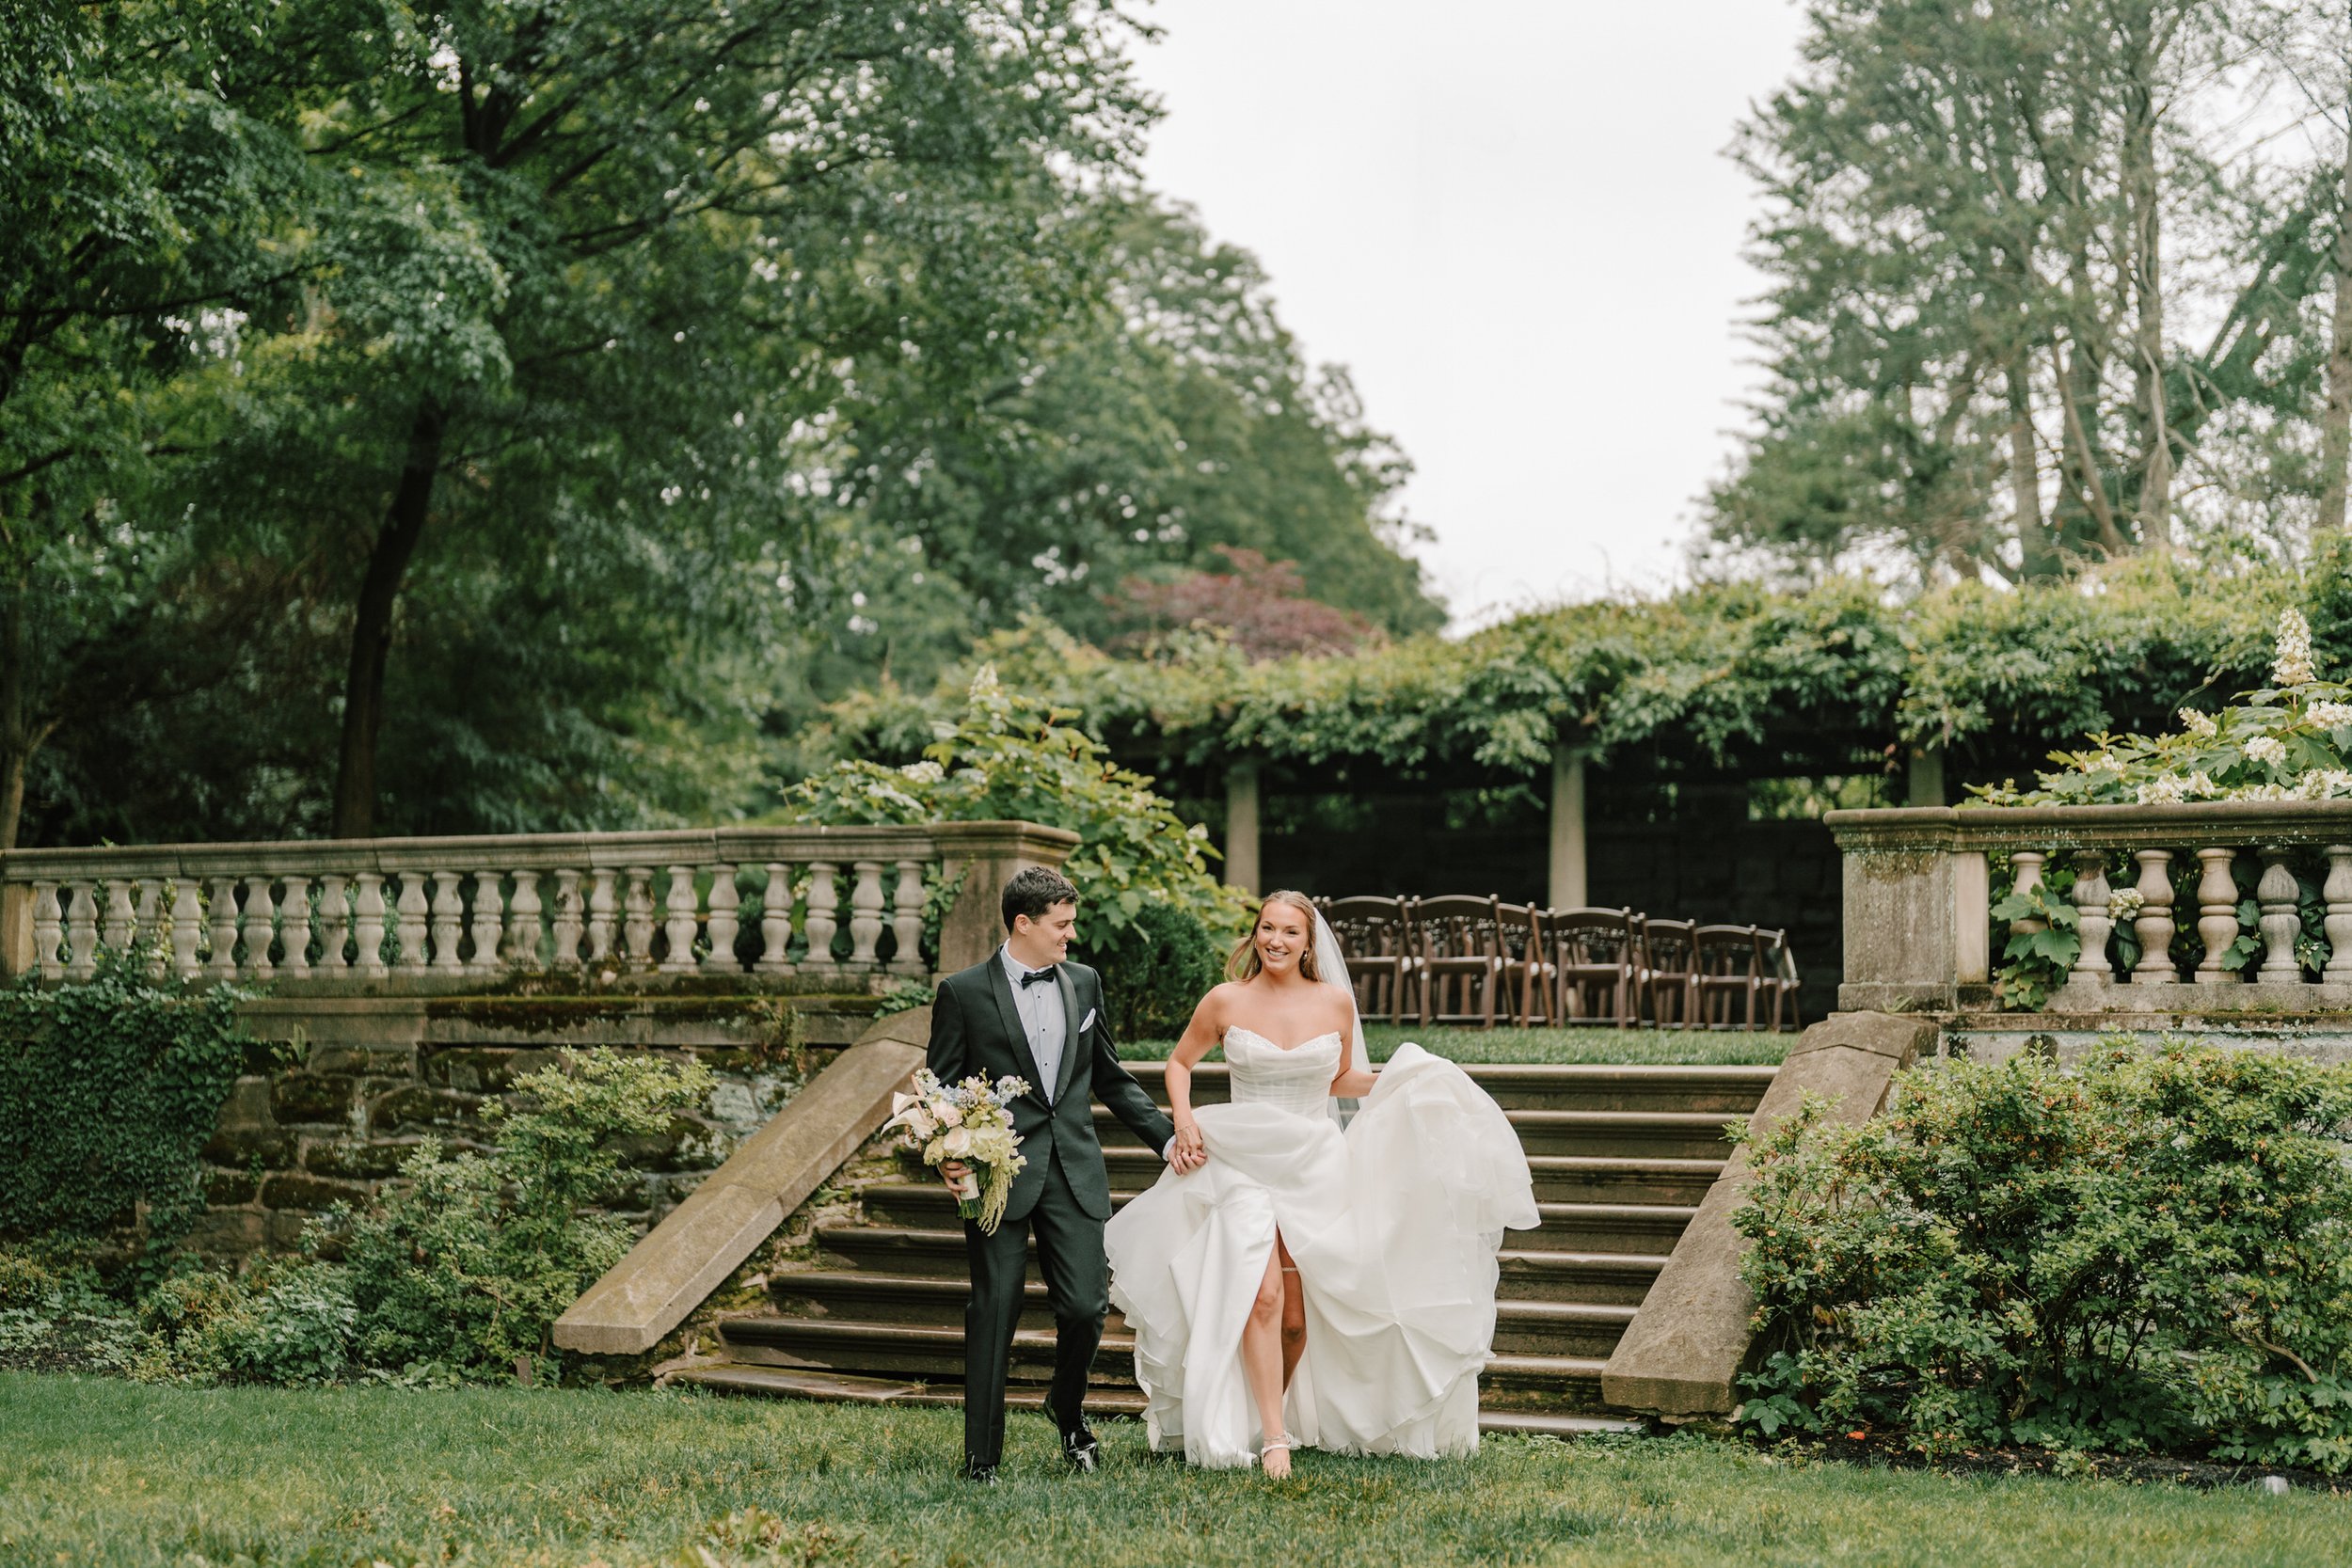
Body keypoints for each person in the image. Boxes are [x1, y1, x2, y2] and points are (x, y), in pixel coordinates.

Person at [1104, 890, 1537, 1476]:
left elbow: (1340, 1080)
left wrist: (1408, 1080)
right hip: (1241, 1159)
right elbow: (1178, 1063)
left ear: (1309, 943)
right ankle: (1276, 1441)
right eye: (1266, 929)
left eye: (1289, 932)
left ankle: (1266, 1414)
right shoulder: (1225, 999)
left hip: (1313, 1163)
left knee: (1294, 1321)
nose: (1275, 941)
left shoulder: (1334, 1003)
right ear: (1254, 934)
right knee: (1260, 1296)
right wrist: (1182, 1121)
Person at [924, 865, 1202, 1483]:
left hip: (1074, 1171)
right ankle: (982, 1458)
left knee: (1084, 1306)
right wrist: (946, 1146)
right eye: (1062, 923)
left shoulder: (1084, 982)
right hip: (994, 1175)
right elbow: (938, 1085)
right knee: (994, 1308)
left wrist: (1167, 1140)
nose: (1071, 935)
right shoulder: (963, 992)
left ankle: (1067, 1410)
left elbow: (1110, 1076)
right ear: (1023, 922)